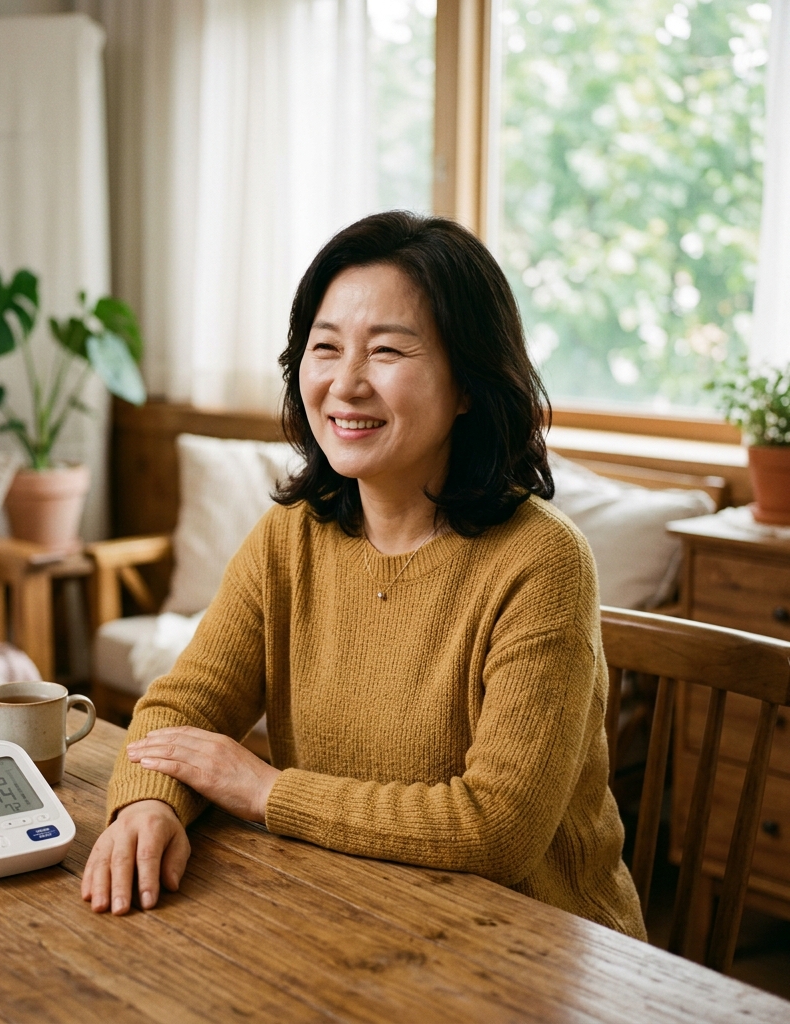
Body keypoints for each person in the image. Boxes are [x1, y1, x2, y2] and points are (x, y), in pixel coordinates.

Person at [81, 212, 646, 940]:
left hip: (531, 949)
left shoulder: (543, 563)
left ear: (468, 383)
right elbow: (183, 707)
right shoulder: (292, 535)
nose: (346, 384)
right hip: (351, 915)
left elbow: (496, 831)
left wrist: (264, 791)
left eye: (386, 351)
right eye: (325, 348)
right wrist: (149, 805)